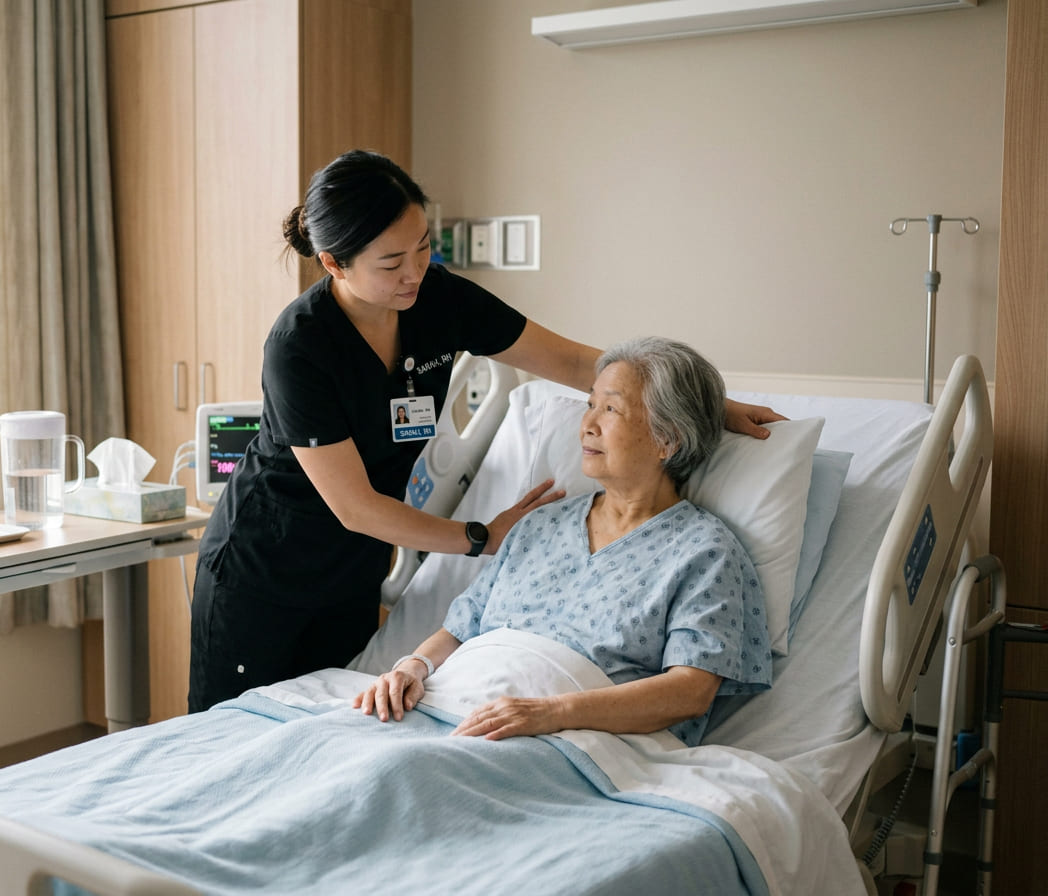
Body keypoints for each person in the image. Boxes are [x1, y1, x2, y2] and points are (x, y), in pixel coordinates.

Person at [189, 150, 782, 713]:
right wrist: (479, 536)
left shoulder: (438, 299)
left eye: (423, 247)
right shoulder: (301, 346)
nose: (415, 271)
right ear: (335, 264)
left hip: (351, 573)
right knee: (231, 739)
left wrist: (710, 405)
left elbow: (575, 363)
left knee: (319, 741)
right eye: (391, 262)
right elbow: (355, 506)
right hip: (264, 571)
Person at [355, 337, 772, 747]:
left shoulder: (704, 551)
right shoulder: (540, 524)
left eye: (610, 409)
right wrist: (413, 667)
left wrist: (550, 713)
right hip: (453, 705)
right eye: (590, 404)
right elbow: (462, 627)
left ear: (668, 440)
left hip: (565, 739)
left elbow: (689, 691)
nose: (587, 425)